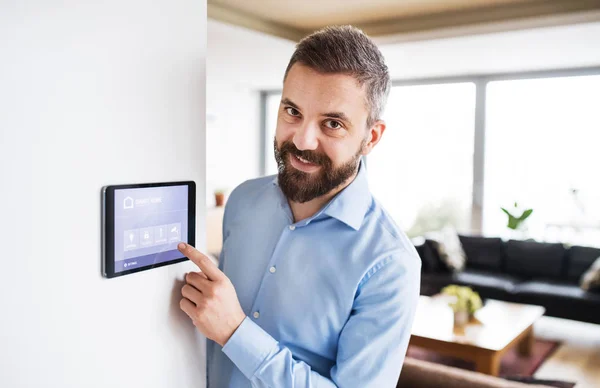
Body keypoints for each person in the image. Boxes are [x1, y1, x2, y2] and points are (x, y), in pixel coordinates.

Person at [177, 25, 421, 387]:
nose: (303, 140)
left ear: (371, 137)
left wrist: (235, 332)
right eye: (292, 111)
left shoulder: (390, 264)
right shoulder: (243, 200)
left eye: (333, 123)